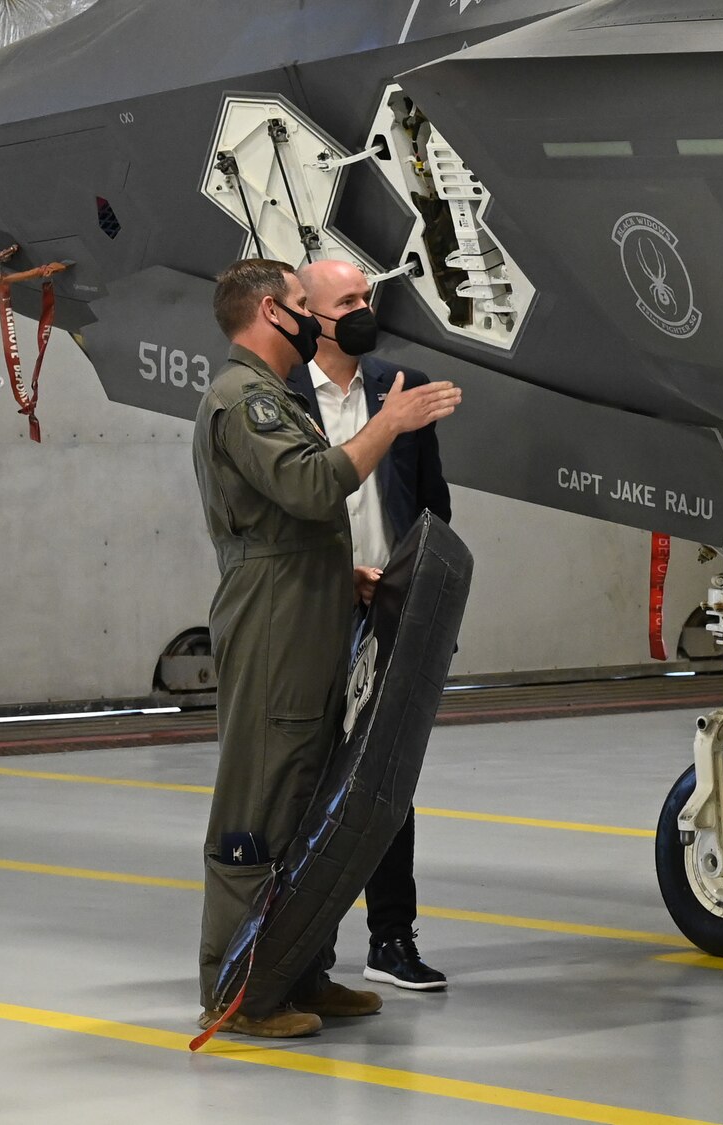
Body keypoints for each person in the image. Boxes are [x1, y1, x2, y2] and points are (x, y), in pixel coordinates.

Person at [191, 258, 459, 1038]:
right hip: (275, 630)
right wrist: (390, 424)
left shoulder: (271, 397)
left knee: (309, 806)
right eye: (308, 305)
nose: (320, 318)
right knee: (262, 810)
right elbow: (312, 489)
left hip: (310, 613)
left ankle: (300, 972)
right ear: (273, 313)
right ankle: (237, 993)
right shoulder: (243, 400)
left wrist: (342, 577)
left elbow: (288, 527)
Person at [289, 257, 457, 991]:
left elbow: (432, 505)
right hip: (312, 612)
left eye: (367, 294)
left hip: (388, 612)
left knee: (388, 781)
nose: (364, 306)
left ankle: (391, 938)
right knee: (308, 781)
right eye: (348, 297)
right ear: (311, 314)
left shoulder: (402, 388)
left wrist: (418, 594)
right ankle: (307, 944)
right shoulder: (282, 396)